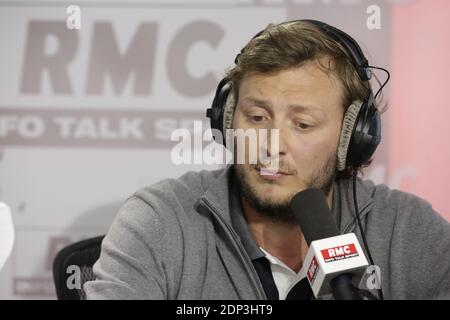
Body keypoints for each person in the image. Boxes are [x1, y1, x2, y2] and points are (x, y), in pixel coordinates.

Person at [84, 20, 450, 300]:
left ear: (351, 138)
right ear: (227, 121)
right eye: (257, 118)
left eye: (303, 124)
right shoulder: (160, 221)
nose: (270, 146)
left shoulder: (410, 231)